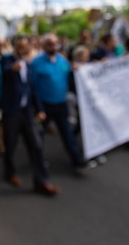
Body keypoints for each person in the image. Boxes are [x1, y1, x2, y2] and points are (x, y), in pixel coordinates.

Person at [0, 35, 59, 196]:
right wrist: (12, 69)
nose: (22, 49)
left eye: (24, 46)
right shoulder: (7, 60)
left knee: (36, 146)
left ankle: (41, 181)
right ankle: (10, 173)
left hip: (26, 112)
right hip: (11, 112)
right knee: (10, 145)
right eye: (19, 46)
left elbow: (31, 89)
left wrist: (39, 109)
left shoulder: (29, 64)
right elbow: (3, 72)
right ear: (14, 47)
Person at [31, 33, 87, 170]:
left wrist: (80, 70)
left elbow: (70, 77)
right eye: (49, 44)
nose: (53, 46)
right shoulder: (36, 63)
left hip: (61, 105)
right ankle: (38, 161)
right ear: (43, 46)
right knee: (38, 136)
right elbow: (32, 87)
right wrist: (38, 108)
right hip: (44, 106)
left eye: (55, 43)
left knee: (67, 133)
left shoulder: (62, 60)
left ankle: (76, 159)